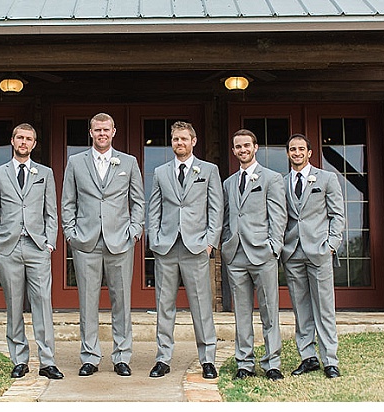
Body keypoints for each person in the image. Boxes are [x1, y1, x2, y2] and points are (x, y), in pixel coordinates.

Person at [61, 112, 145, 377]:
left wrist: (134, 231)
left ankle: (122, 356)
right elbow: (67, 202)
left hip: (120, 241)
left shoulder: (128, 162)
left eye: (106, 130)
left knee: (122, 302)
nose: (102, 134)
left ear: (114, 132)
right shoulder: (75, 162)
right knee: (87, 302)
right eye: (97, 130)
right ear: (90, 132)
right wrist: (70, 233)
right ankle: (90, 356)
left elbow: (138, 201)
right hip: (85, 241)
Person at [0, 123, 64, 380]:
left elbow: (51, 212)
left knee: (43, 304)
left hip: (37, 247)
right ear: (12, 140)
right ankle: (19, 360)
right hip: (8, 248)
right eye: (20, 137)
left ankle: (47, 361)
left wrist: (49, 243)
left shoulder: (45, 173)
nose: (24, 142)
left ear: (34, 143)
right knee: (14, 305)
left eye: (28, 139)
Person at [146, 121, 223, 380]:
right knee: (164, 305)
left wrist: (210, 242)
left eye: (183, 139)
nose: (179, 143)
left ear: (194, 141)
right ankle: (163, 358)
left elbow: (216, 209)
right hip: (166, 247)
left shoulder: (209, 171)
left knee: (201, 305)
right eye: (175, 139)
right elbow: (153, 208)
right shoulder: (160, 172)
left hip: (196, 247)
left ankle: (207, 359)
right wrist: (154, 240)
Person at [221, 129, 286, 381]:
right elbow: (227, 217)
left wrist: (273, 246)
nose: (242, 150)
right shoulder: (228, 183)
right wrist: (227, 242)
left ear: (255, 147)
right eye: (238, 146)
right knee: (242, 313)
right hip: (236, 255)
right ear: (234, 151)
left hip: (263, 253)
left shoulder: (271, 178)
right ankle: (244, 363)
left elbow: (278, 216)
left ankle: (272, 363)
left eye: (246, 145)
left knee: (269, 311)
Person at [282, 133, 346, 379]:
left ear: (309, 152)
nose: (296, 153)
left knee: (324, 308)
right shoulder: (282, 182)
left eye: (301, 149)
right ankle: (308, 357)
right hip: (293, 252)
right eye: (292, 149)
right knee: (301, 309)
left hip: (319, 251)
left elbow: (337, 215)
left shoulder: (327, 179)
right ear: (288, 154)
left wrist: (331, 244)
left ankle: (330, 359)